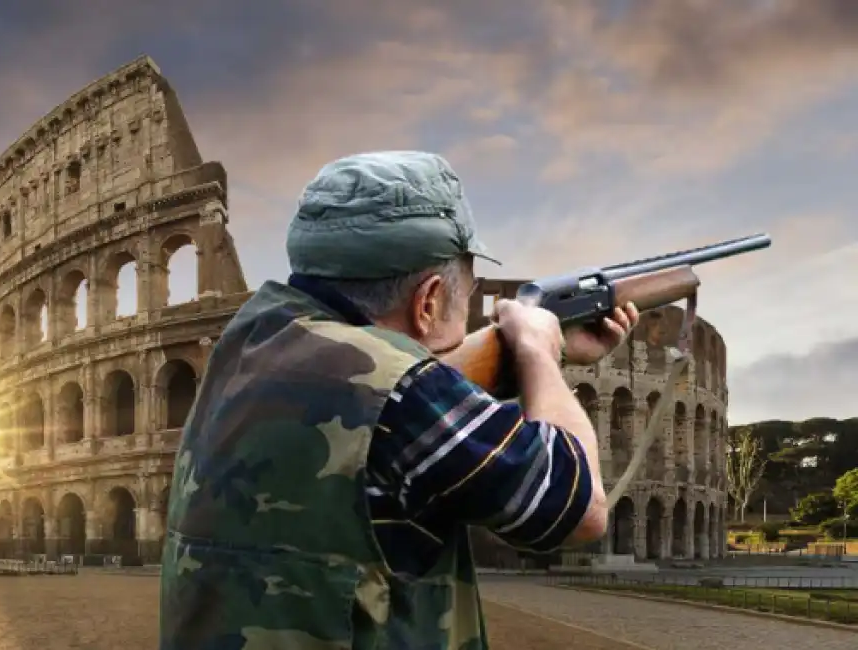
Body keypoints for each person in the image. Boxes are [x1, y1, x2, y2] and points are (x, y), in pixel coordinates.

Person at [159, 151, 639, 649]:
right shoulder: (405, 395)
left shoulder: (247, 339)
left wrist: (518, 355)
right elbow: (579, 509)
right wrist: (540, 353)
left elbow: (376, 398)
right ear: (428, 299)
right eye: (465, 293)